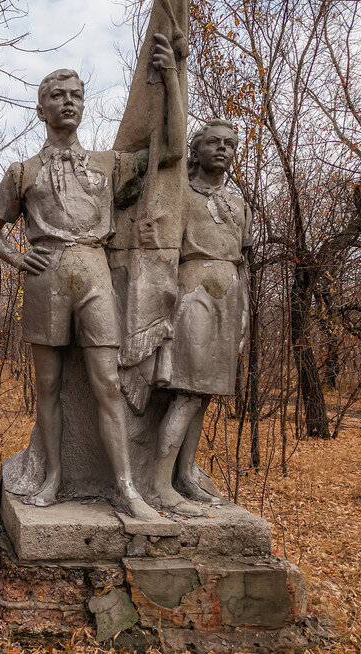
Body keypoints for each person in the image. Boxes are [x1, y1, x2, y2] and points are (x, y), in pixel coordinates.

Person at [0, 34, 182, 521]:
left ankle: (125, 487)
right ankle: (53, 477)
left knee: (107, 385)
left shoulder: (108, 165)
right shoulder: (22, 171)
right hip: (45, 276)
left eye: (75, 95)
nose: (67, 102)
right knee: (47, 388)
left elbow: (173, 148)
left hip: (94, 273)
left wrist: (172, 78)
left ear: (84, 106)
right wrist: (13, 257)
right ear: (40, 108)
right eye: (57, 95)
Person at [153, 120, 251, 514]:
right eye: (214, 142)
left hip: (230, 297)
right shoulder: (180, 193)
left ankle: (185, 475)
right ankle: (160, 484)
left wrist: (244, 313)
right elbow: (160, 251)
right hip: (192, 293)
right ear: (196, 149)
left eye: (229, 143)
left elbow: (242, 262)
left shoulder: (238, 202)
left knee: (205, 394)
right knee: (187, 393)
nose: (223, 149)